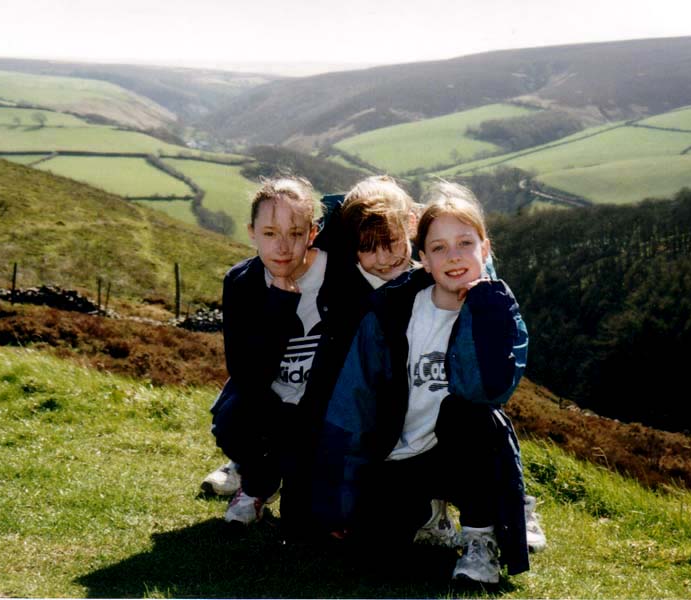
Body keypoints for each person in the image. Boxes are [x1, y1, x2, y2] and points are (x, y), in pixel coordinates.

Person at [314, 181, 531, 585]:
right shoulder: (391, 311)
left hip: (461, 449)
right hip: (401, 455)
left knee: (466, 415)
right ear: (423, 259)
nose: (453, 257)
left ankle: (481, 537)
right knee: (368, 556)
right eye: (439, 248)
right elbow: (352, 404)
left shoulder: (498, 308)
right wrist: (341, 498)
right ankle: (430, 516)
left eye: (465, 243)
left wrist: (479, 310)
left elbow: (486, 389)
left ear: (485, 250)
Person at [207, 175, 419, 537]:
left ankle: (297, 479)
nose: (284, 247)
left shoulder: (341, 270)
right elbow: (247, 374)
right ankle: (258, 482)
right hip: (265, 406)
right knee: (234, 421)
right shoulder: (241, 283)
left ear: (314, 232)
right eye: (270, 233)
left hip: (321, 414)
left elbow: (379, 234)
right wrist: (280, 303)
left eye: (296, 232)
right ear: (252, 232)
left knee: (306, 523)